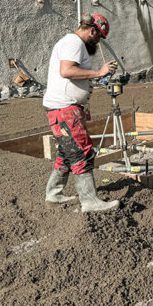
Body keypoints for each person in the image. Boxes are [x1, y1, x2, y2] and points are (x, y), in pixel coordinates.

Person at [42, 13, 119, 212]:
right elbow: (66, 71)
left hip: (66, 108)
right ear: (92, 30)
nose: (98, 41)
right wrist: (98, 73)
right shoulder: (74, 43)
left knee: (67, 153)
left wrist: (82, 104)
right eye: (98, 37)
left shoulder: (72, 43)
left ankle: (54, 193)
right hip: (64, 109)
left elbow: (72, 77)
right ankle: (89, 201)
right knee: (81, 152)